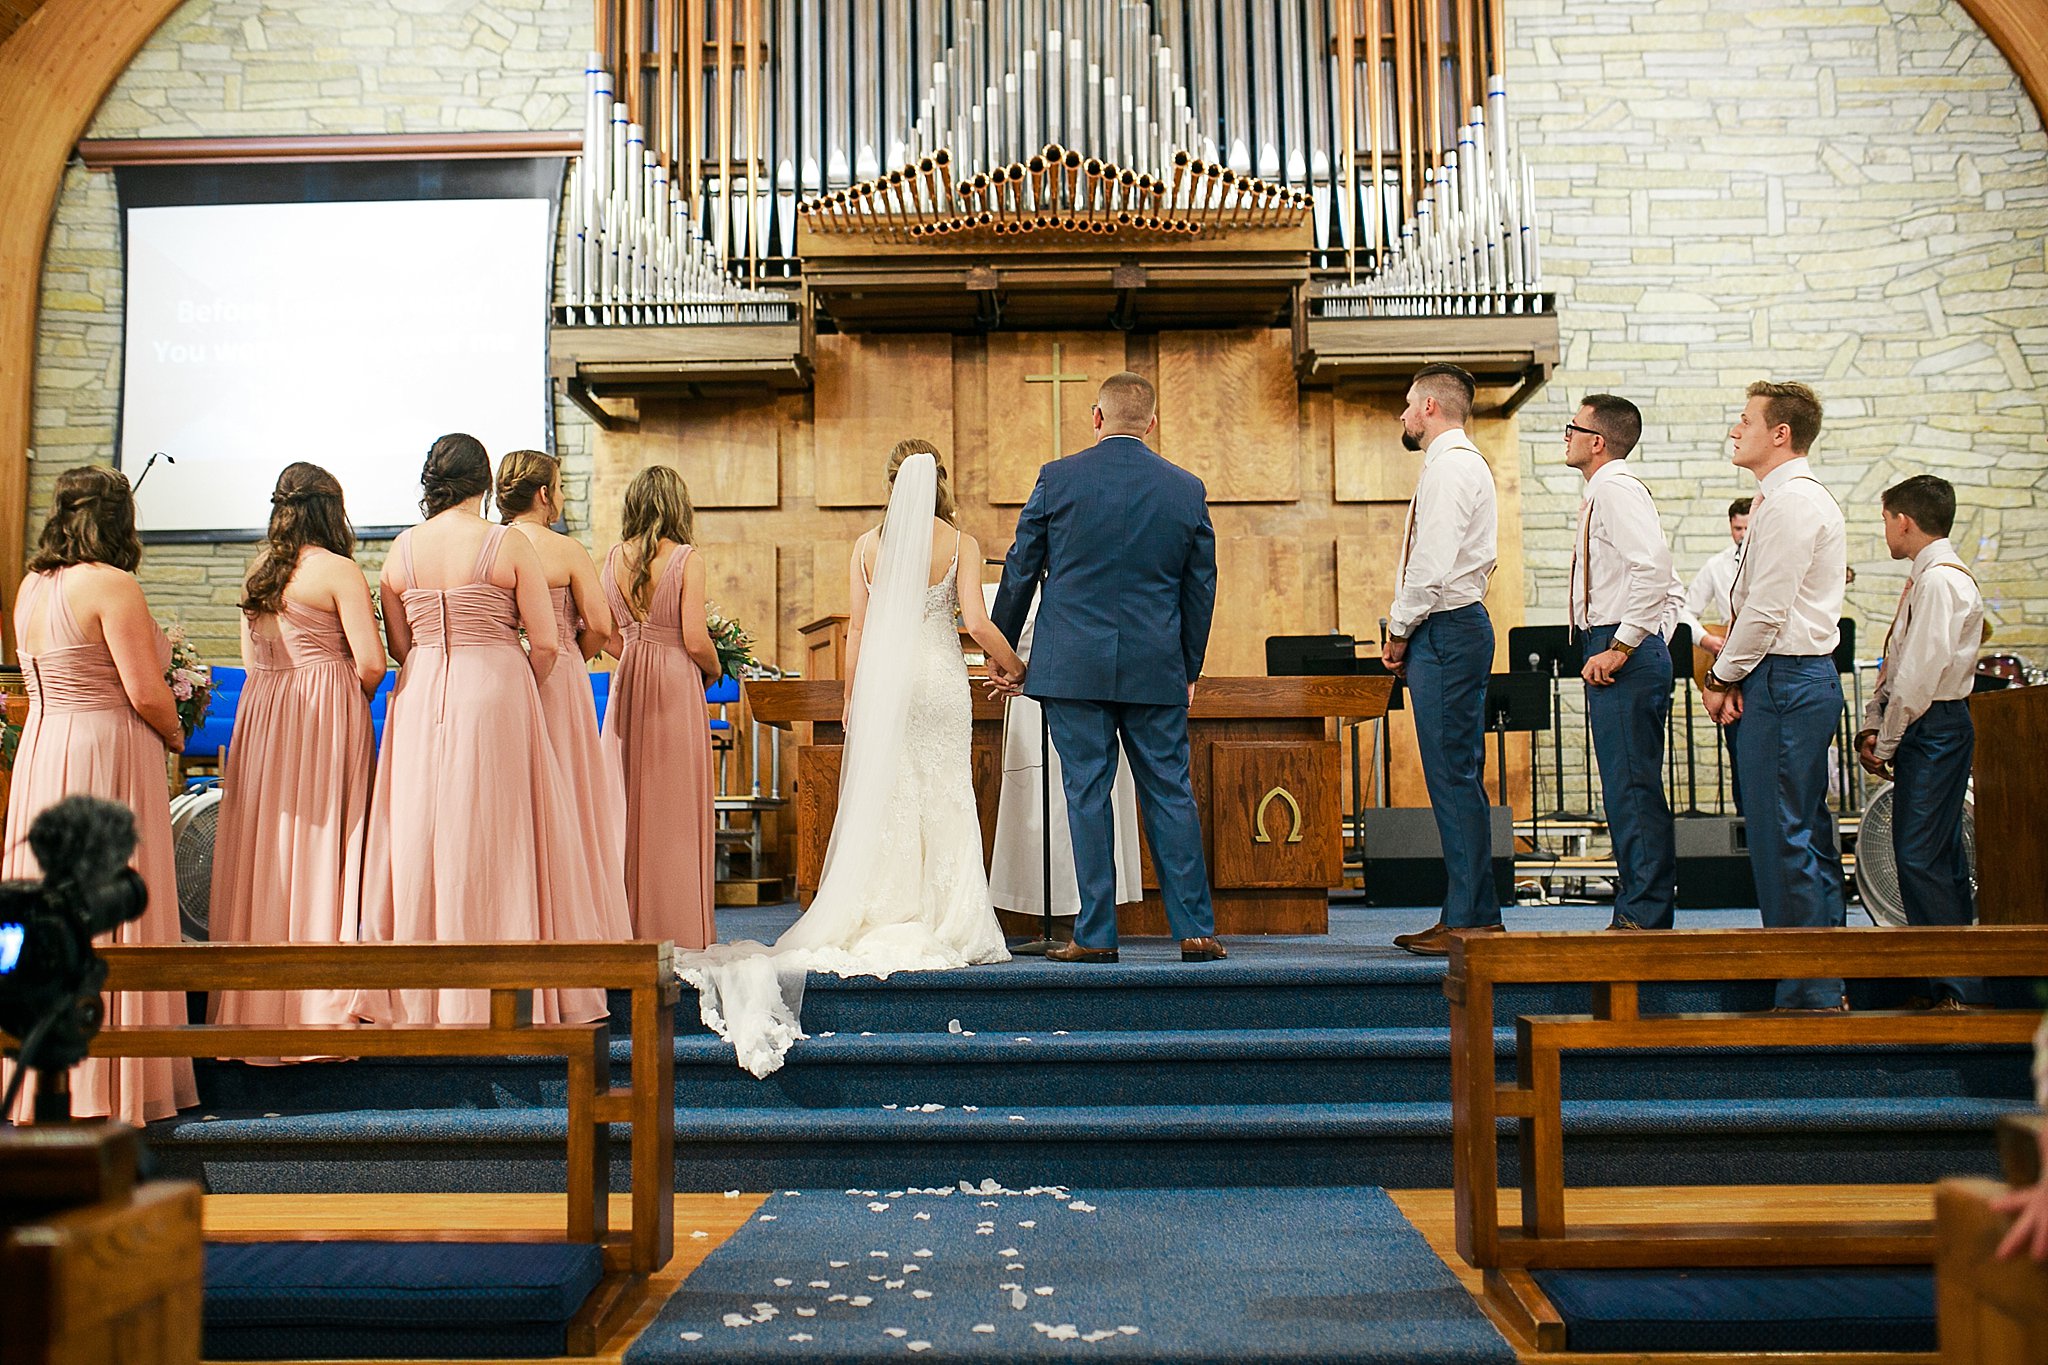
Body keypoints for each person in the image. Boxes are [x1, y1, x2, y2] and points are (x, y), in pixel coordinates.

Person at [676, 445, 1018, 1077]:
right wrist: (1014, 663)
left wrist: (854, 698)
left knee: (895, 793)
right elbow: (974, 619)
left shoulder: (866, 545)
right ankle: (953, 917)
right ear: (941, 482)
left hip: (889, 681)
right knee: (945, 789)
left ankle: (887, 905)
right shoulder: (962, 542)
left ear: (891, 483)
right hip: (940, 678)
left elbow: (858, 630)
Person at [356, 433, 614, 1025]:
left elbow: (400, 644)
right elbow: (547, 641)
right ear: (483, 481)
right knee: (499, 827)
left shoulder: (401, 550)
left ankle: (424, 984)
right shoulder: (504, 543)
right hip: (494, 685)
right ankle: (509, 979)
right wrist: (515, 674)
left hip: (421, 691)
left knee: (424, 825)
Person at [991, 372, 1222, 965]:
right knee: (1171, 793)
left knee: (1086, 793)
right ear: (1151, 423)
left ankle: (1095, 935)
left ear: (1097, 418)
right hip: (1156, 666)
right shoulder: (1186, 489)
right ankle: (1194, 930)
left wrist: (1005, 653)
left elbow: (1020, 569)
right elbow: (1200, 590)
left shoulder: (1057, 479)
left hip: (1073, 666)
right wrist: (1188, 666)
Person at [3, 466, 196, 1123]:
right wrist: (174, 733)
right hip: (106, 749)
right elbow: (145, 691)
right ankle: (115, 1085)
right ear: (119, 519)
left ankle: (44, 1080)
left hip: (45, 745)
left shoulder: (33, 585)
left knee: (47, 902)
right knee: (111, 906)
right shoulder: (113, 584)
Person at [208, 463, 383, 1047]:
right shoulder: (337, 571)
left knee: (268, 846)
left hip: (267, 714)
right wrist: (342, 698)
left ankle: (255, 1003)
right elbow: (372, 664)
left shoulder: (258, 573)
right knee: (326, 838)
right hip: (324, 713)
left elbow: (254, 664)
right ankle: (318, 996)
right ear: (331, 511)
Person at [1701, 381, 1848, 1013]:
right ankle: (1822, 975)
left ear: (1779, 433)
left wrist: (1722, 676)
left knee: (1782, 835)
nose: (1736, 430)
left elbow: (1764, 611)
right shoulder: (1777, 499)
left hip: (1785, 678)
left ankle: (1811, 990)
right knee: (1798, 832)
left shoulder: (1791, 504)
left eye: (1745, 420)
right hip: (1782, 677)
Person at [1384, 364, 1502, 957]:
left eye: (1409, 405)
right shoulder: (1450, 465)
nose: (1403, 416)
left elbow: (1430, 565)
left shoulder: (1452, 466)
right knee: (1451, 775)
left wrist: (1399, 629)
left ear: (1430, 407)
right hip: (1448, 629)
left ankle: (1472, 920)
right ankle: (1469, 911)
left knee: (1453, 776)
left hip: (1446, 629)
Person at [1855, 474, 1985, 1008]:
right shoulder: (1928, 576)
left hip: (1936, 726)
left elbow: (1918, 677)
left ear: (1905, 521)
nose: (1884, 531)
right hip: (1931, 726)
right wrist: (1874, 720)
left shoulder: (1940, 582)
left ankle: (1955, 986)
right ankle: (1954, 981)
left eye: (1885, 520)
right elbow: (1900, 661)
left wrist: (1886, 743)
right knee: (1935, 855)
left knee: (1919, 857)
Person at [499, 450, 631, 947]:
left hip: (507, 677)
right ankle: (580, 919)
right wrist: (576, 650)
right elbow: (600, 625)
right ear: (543, 494)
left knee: (520, 797)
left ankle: (525, 915)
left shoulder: (492, 546)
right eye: (559, 486)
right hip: (561, 680)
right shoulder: (566, 550)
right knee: (573, 793)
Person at [1565, 395, 1684, 931]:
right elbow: (1671, 586)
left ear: (1597, 441)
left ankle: (1644, 915)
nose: (1565, 437)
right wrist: (1647, 637)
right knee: (1625, 787)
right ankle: (1641, 911)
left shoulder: (1614, 488)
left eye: (1573, 428)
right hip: (1623, 647)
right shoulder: (1604, 492)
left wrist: (1625, 643)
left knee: (1632, 788)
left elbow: (1654, 569)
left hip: (1622, 652)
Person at [599, 465, 722, 947]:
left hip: (628, 681)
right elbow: (695, 637)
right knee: (674, 809)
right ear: (678, 505)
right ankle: (678, 929)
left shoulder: (611, 559)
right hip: (673, 683)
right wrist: (713, 668)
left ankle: (629, 926)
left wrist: (634, 649)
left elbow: (604, 632)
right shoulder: (687, 558)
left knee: (628, 803)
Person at [981, 581, 1143, 925]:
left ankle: (1085, 912)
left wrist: (1013, 668)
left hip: (1075, 689)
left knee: (1080, 797)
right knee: (1045, 804)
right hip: (1035, 697)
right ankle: (1057, 909)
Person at [1679, 497, 1752, 812]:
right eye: (1738, 528)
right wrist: (1707, 640)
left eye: (1748, 528)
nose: (1742, 535)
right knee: (1737, 748)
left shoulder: (1772, 559)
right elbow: (1683, 610)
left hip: (1765, 660)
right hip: (1730, 664)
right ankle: (1745, 823)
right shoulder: (1716, 565)